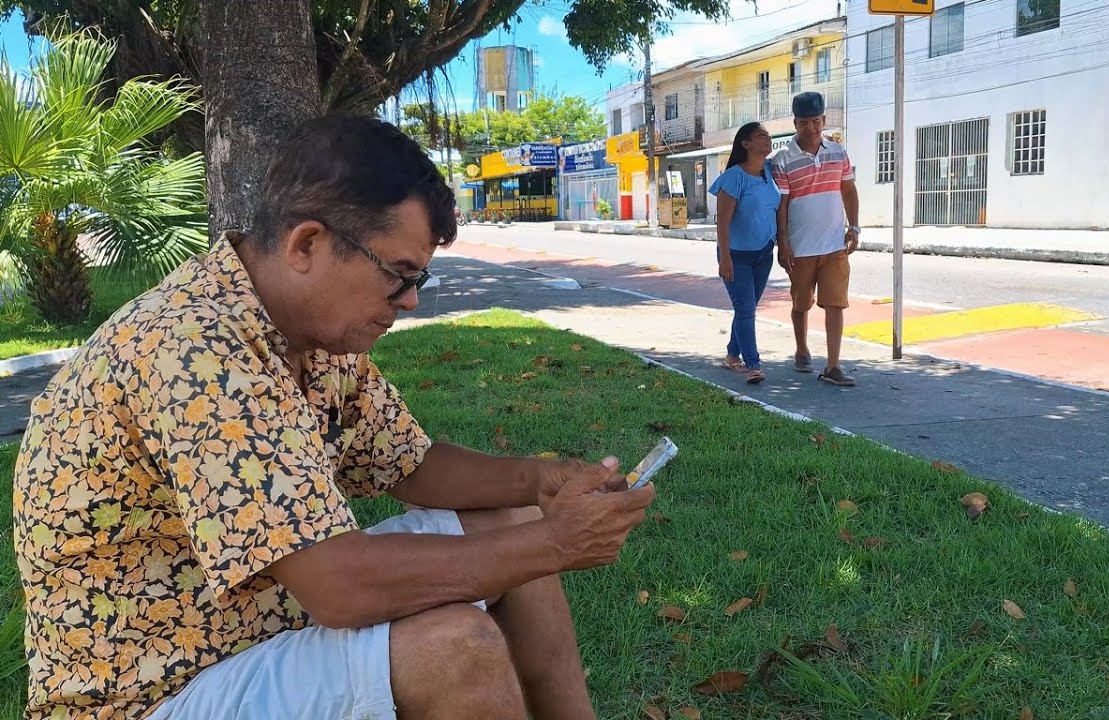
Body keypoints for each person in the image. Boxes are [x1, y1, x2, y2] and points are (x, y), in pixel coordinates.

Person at [12, 113, 656, 720]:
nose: (407, 302)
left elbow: (412, 463)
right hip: (152, 693)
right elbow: (341, 589)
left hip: (245, 632)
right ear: (307, 244)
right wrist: (558, 542)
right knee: (454, 647)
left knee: (510, 520)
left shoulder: (308, 332)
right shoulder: (191, 348)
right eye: (398, 275)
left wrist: (537, 483)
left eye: (419, 281)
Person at [772, 91, 861, 386]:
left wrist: (854, 228)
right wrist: (782, 244)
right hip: (800, 247)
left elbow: (848, 190)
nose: (811, 128)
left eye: (816, 122)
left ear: (823, 120)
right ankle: (801, 349)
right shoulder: (782, 159)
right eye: (804, 123)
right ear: (795, 123)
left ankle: (833, 365)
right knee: (801, 303)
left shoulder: (839, 152)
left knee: (836, 304)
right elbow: (782, 204)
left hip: (835, 245)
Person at [710, 122, 781, 385]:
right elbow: (723, 222)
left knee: (746, 309)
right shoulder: (733, 177)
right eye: (761, 136)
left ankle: (731, 355)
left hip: (764, 252)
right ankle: (753, 364)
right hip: (736, 255)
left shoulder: (770, 173)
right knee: (746, 309)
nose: (767, 140)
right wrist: (725, 256)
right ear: (746, 144)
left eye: (768, 136)